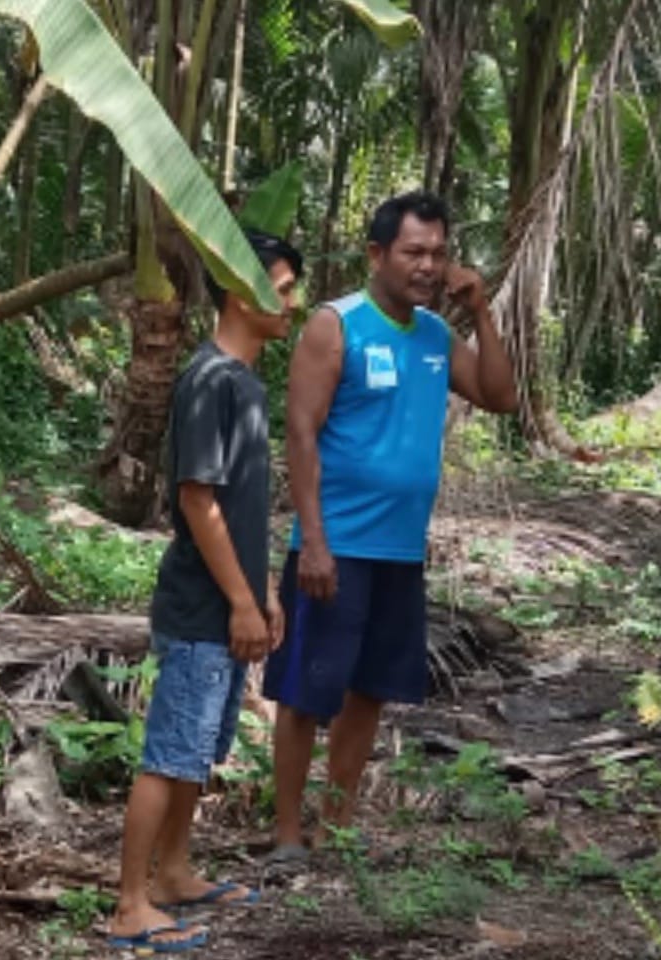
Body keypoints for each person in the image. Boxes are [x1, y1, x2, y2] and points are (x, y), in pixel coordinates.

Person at [262, 191, 517, 869]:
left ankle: (335, 825)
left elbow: (499, 395)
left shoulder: (436, 335)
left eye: (438, 252)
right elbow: (301, 432)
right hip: (335, 545)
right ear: (377, 254)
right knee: (304, 692)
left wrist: (483, 311)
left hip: (400, 551)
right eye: (413, 252)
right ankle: (288, 832)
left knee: (369, 690)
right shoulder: (335, 325)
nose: (428, 266)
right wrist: (312, 540)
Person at [108, 230, 303, 952]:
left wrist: (265, 593)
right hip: (201, 607)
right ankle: (130, 905)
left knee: (196, 749)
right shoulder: (210, 379)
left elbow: (244, 507)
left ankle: (174, 872)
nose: (293, 302)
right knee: (170, 751)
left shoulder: (244, 380)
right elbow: (198, 501)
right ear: (238, 286)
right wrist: (243, 603)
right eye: (282, 287)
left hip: (232, 601)